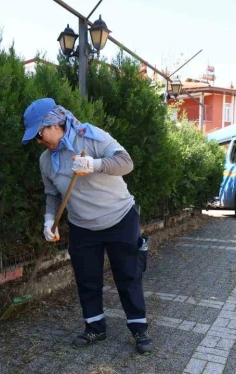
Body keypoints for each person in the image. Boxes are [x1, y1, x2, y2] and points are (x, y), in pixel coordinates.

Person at [21, 97, 152, 355]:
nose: (39, 142)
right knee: (86, 279)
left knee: (127, 275)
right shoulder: (46, 161)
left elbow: (126, 162)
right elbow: (53, 194)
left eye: (39, 134)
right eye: (35, 138)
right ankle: (95, 327)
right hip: (82, 226)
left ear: (55, 123)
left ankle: (139, 330)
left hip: (119, 218)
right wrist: (50, 220)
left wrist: (95, 165)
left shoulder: (90, 137)